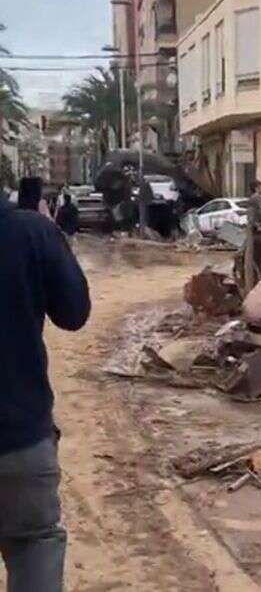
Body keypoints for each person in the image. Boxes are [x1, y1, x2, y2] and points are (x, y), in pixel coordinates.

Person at [0, 193, 91, 591]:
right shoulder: (29, 232)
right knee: (33, 544)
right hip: (19, 439)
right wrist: (47, 234)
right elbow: (73, 312)